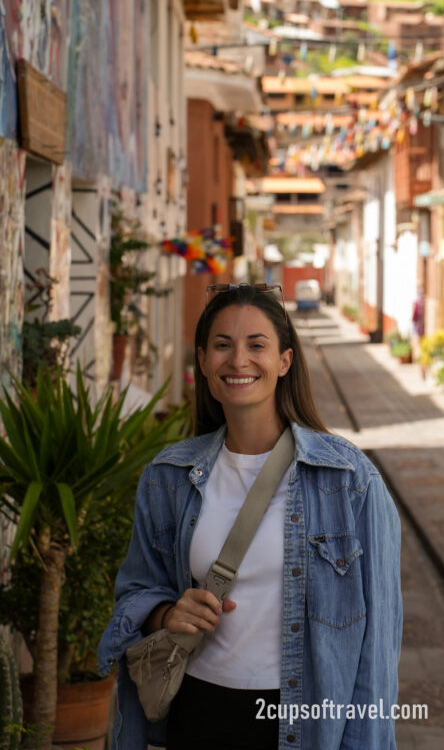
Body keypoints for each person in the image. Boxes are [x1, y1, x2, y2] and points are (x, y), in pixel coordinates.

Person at [98, 283, 403, 750]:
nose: (238, 360)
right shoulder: (169, 478)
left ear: (284, 361)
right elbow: (136, 593)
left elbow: (377, 652)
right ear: (202, 361)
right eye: (222, 345)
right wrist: (166, 613)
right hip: (197, 713)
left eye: (256, 345)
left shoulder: (349, 481)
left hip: (304, 725)